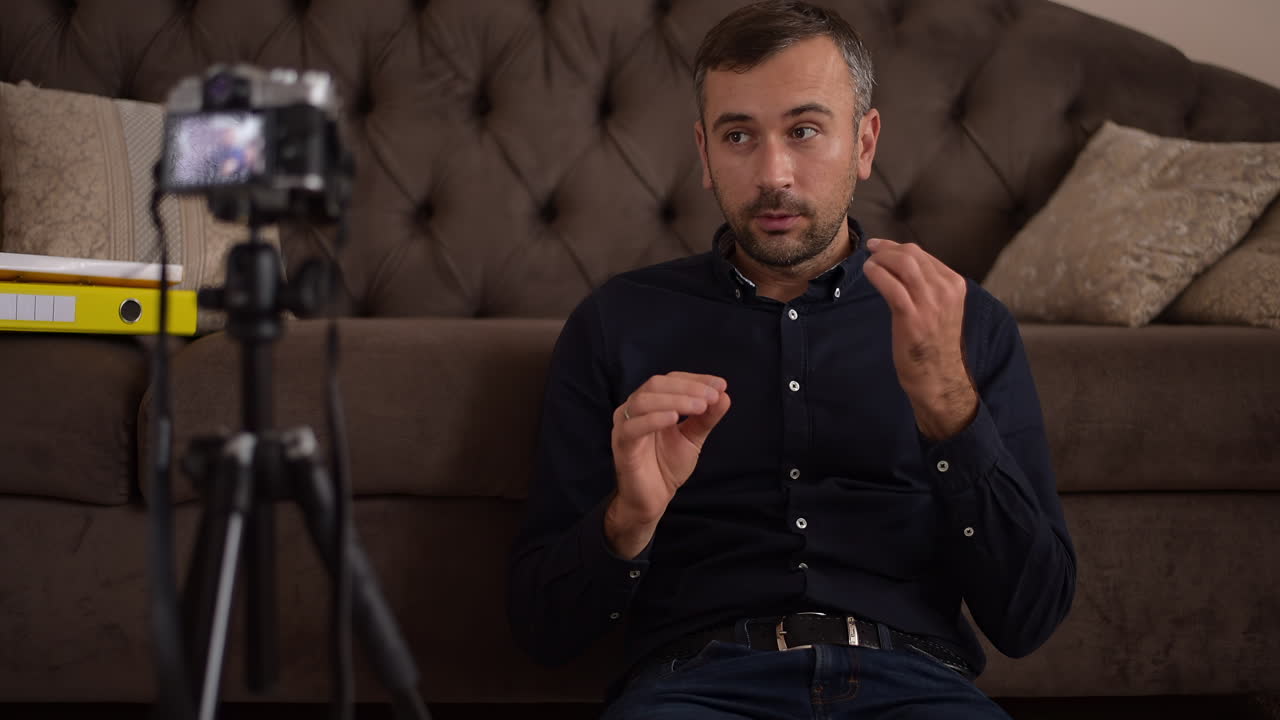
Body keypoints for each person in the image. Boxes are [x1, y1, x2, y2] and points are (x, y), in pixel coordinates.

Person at [507, 1, 1076, 717]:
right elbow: (543, 630)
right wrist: (629, 518)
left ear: (865, 143)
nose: (774, 172)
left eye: (805, 131)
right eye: (739, 135)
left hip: (915, 688)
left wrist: (948, 407)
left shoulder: (964, 326)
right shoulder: (616, 323)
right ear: (705, 154)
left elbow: (1032, 616)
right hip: (695, 690)